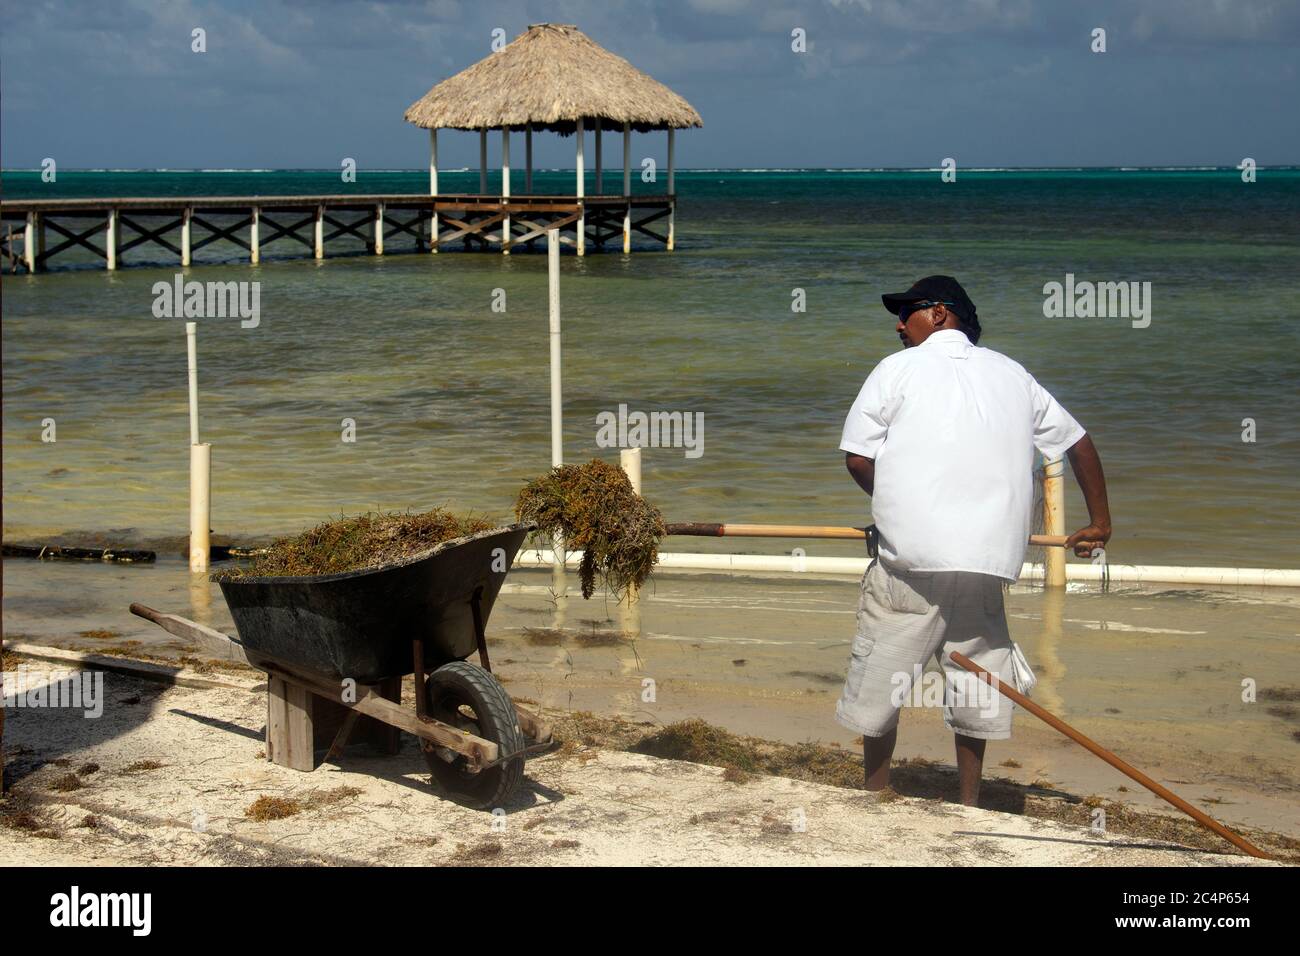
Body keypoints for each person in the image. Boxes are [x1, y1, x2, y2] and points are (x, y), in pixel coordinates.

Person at [837, 275, 1112, 806]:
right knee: (978, 684)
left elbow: (857, 457)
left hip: (908, 567)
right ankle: (968, 802)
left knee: (880, 680)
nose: (898, 324)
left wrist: (898, 511)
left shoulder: (896, 369)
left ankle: (876, 795)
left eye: (907, 312)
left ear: (940, 313)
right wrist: (1100, 523)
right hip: (989, 565)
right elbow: (1077, 442)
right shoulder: (1012, 374)